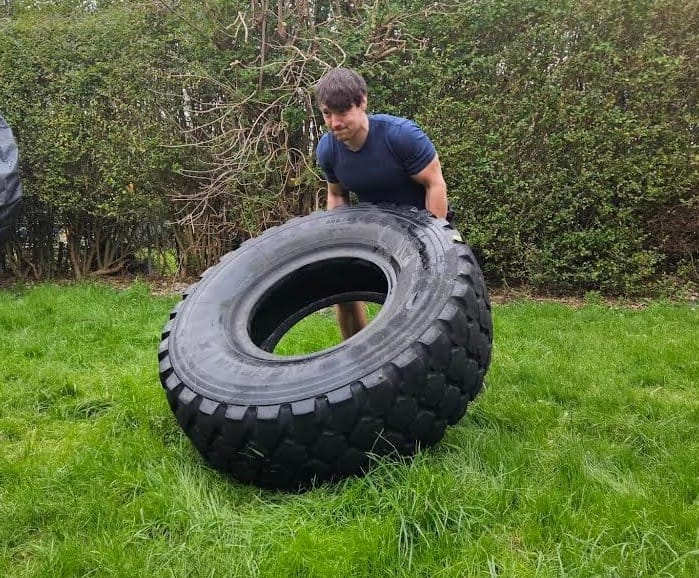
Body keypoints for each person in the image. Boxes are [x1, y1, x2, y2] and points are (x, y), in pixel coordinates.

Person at [314, 67, 449, 339]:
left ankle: (454, 366)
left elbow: (435, 184)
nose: (334, 123)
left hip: (423, 226)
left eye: (342, 112)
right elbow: (337, 195)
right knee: (343, 288)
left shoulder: (400, 136)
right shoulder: (328, 150)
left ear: (362, 102)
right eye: (327, 114)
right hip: (375, 232)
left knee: (436, 300)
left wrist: (434, 242)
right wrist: (339, 239)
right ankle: (358, 358)